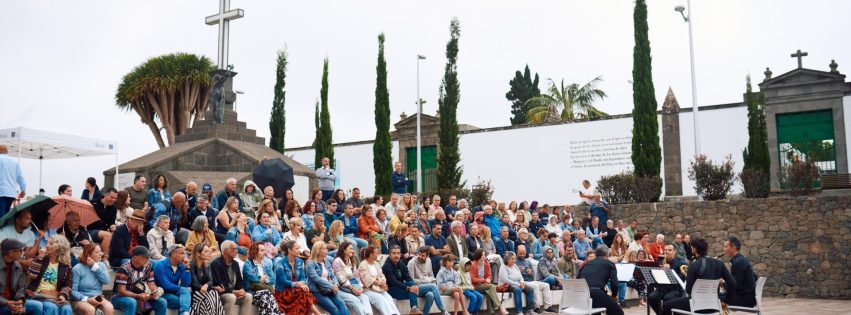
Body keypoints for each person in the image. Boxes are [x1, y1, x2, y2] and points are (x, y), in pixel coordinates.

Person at [661, 238, 737, 315]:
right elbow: (733, 284)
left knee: (666, 305)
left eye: (691, 248)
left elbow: (688, 290)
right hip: (714, 306)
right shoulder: (720, 264)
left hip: (696, 306)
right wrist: (726, 302)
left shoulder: (694, 265)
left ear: (694, 249)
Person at [25, 235, 73, 315]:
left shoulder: (66, 266)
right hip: (37, 295)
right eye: (47, 243)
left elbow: (68, 285)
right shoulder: (40, 260)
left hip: (55, 297)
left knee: (67, 309)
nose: (46, 245)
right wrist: (40, 257)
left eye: (50, 244)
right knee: (52, 307)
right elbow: (31, 275)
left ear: (58, 247)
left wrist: (63, 295)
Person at [112, 246, 168, 315]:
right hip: (120, 297)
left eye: (148, 257)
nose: (148, 259)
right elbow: (121, 291)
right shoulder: (124, 269)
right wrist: (137, 296)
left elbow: (151, 283)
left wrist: (154, 292)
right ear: (135, 257)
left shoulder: (149, 266)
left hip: (141, 295)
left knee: (162, 302)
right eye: (145, 257)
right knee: (131, 302)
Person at [305, 242, 350, 315]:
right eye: (324, 249)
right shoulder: (311, 263)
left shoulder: (326, 262)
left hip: (329, 289)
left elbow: (333, 276)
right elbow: (316, 279)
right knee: (333, 308)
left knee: (341, 303)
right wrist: (331, 286)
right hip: (317, 291)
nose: (327, 250)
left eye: (326, 248)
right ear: (318, 251)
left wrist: (336, 284)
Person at [577, 245, 623, 315]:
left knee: (596, 309)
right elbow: (614, 284)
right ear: (607, 254)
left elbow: (577, 279)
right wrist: (614, 296)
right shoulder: (610, 264)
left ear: (595, 255)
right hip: (596, 294)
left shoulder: (586, 264)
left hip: (582, 297)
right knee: (618, 312)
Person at [274, 241, 318, 315]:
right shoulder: (280, 263)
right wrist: (298, 284)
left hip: (296, 289)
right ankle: (318, 313)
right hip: (283, 291)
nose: (299, 251)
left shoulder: (300, 261)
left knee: (303, 291)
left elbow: (303, 277)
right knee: (302, 292)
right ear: (289, 250)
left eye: (299, 248)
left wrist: (301, 284)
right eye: (297, 249)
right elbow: (283, 281)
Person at [0, 239, 43, 315]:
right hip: (2, 304)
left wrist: (20, 300)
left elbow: (21, 287)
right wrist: (6, 302)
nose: (22, 253)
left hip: (13, 301)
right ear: (11, 253)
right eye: (20, 250)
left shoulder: (17, 265)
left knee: (37, 306)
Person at [211, 241, 254, 315]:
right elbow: (219, 284)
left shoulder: (235, 264)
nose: (236, 251)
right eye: (233, 249)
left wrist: (241, 290)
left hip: (234, 292)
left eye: (236, 249)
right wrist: (233, 291)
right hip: (222, 294)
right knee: (231, 297)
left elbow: (240, 281)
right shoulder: (215, 264)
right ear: (225, 250)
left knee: (248, 296)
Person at [70, 244, 114, 315]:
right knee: (90, 309)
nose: (100, 254)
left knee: (109, 307)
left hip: (97, 297)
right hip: (81, 299)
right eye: (97, 252)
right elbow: (73, 291)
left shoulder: (101, 265)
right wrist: (88, 299)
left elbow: (106, 281)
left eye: (100, 251)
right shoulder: (77, 269)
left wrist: (95, 267)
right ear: (88, 255)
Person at [331, 242, 373, 315]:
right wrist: (353, 289)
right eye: (350, 249)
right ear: (344, 250)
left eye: (353, 249)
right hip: (341, 289)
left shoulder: (352, 261)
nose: (353, 251)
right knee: (355, 301)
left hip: (352, 286)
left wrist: (360, 287)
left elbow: (356, 276)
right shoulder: (337, 261)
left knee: (365, 298)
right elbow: (341, 280)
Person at [358, 246, 402, 315]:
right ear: (371, 254)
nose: (377, 255)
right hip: (368, 290)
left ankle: (396, 314)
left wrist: (383, 282)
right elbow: (367, 278)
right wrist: (379, 283)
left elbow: (381, 275)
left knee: (389, 298)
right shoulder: (363, 264)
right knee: (380, 299)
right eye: (376, 253)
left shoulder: (376, 263)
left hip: (379, 288)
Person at [406, 246, 449, 315]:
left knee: (430, 295)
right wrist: (425, 280)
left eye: (423, 255)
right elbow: (411, 280)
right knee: (433, 286)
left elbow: (431, 276)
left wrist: (427, 281)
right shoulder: (411, 263)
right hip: (416, 287)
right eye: (419, 254)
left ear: (427, 256)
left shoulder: (429, 261)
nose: (420, 257)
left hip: (427, 286)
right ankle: (443, 310)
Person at [242, 242, 281, 315]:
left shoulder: (266, 264)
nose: (264, 252)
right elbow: (253, 278)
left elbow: (273, 279)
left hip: (264, 290)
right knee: (266, 293)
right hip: (252, 291)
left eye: (264, 250)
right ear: (255, 252)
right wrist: (260, 278)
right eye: (262, 250)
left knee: (266, 294)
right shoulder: (248, 264)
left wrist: (265, 279)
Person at [648, 245, 688, 314]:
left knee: (668, 298)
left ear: (675, 251)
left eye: (669, 250)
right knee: (652, 297)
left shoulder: (681, 262)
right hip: (662, 288)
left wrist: (669, 271)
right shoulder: (661, 262)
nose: (667, 252)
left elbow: (683, 278)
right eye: (665, 250)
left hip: (675, 289)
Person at [153, 245, 192, 315]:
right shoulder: (160, 265)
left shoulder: (181, 265)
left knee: (185, 292)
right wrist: (181, 288)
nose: (184, 256)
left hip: (173, 292)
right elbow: (166, 285)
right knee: (182, 300)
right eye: (182, 253)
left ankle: (184, 312)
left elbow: (185, 284)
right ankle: (184, 312)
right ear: (173, 254)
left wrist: (187, 268)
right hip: (162, 293)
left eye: (184, 254)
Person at [189, 243, 226, 315]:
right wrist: (202, 287)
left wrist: (206, 285)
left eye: (209, 251)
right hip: (195, 292)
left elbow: (210, 281)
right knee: (211, 295)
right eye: (206, 251)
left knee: (214, 293)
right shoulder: (191, 265)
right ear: (198, 254)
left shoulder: (206, 265)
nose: (208, 253)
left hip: (204, 291)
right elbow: (194, 283)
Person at [516, 246, 555, 313]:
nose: (522, 255)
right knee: (535, 286)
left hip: (530, 281)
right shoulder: (514, 261)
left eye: (523, 253)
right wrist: (517, 271)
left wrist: (530, 273)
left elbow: (533, 275)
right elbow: (513, 275)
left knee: (546, 285)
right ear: (517, 252)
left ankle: (547, 306)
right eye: (520, 253)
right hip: (521, 281)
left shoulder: (528, 261)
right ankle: (536, 307)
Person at [469, 249, 507, 315]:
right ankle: (500, 307)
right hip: (476, 286)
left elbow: (489, 276)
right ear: (478, 255)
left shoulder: (487, 263)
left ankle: (491, 312)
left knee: (489, 290)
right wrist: (484, 281)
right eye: (482, 255)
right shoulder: (473, 264)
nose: (484, 256)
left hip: (485, 285)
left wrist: (486, 282)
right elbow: (472, 279)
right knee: (491, 287)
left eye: (484, 255)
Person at [724, 237, 757, 308]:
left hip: (745, 300)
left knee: (716, 298)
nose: (724, 249)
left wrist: (722, 282)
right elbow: (755, 277)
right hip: (748, 297)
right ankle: (723, 312)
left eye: (726, 247)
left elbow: (734, 286)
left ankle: (721, 312)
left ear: (733, 247)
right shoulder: (742, 259)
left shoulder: (738, 262)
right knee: (721, 296)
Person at [89, 188, 118, 256]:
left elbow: (111, 222)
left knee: (117, 234)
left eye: (115, 198)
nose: (113, 200)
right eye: (112, 197)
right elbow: (90, 221)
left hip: (104, 230)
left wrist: (112, 226)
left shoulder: (114, 207)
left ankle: (115, 257)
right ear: (106, 195)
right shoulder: (93, 203)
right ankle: (104, 257)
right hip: (91, 230)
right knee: (107, 235)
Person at [0, 145, 26, 218]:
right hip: (11, 194)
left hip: (1, 192)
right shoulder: (14, 162)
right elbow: (20, 177)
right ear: (7, 151)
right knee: (5, 217)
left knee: (1, 217)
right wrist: (23, 190)